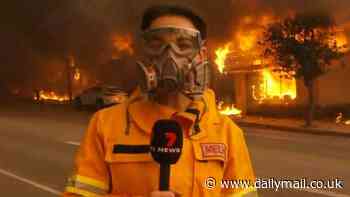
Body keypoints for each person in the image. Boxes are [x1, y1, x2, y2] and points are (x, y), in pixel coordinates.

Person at [62, 4, 258, 197]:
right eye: (157, 44)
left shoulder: (228, 134)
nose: (170, 55)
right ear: (145, 52)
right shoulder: (105, 126)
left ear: (201, 55)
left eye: (183, 45)